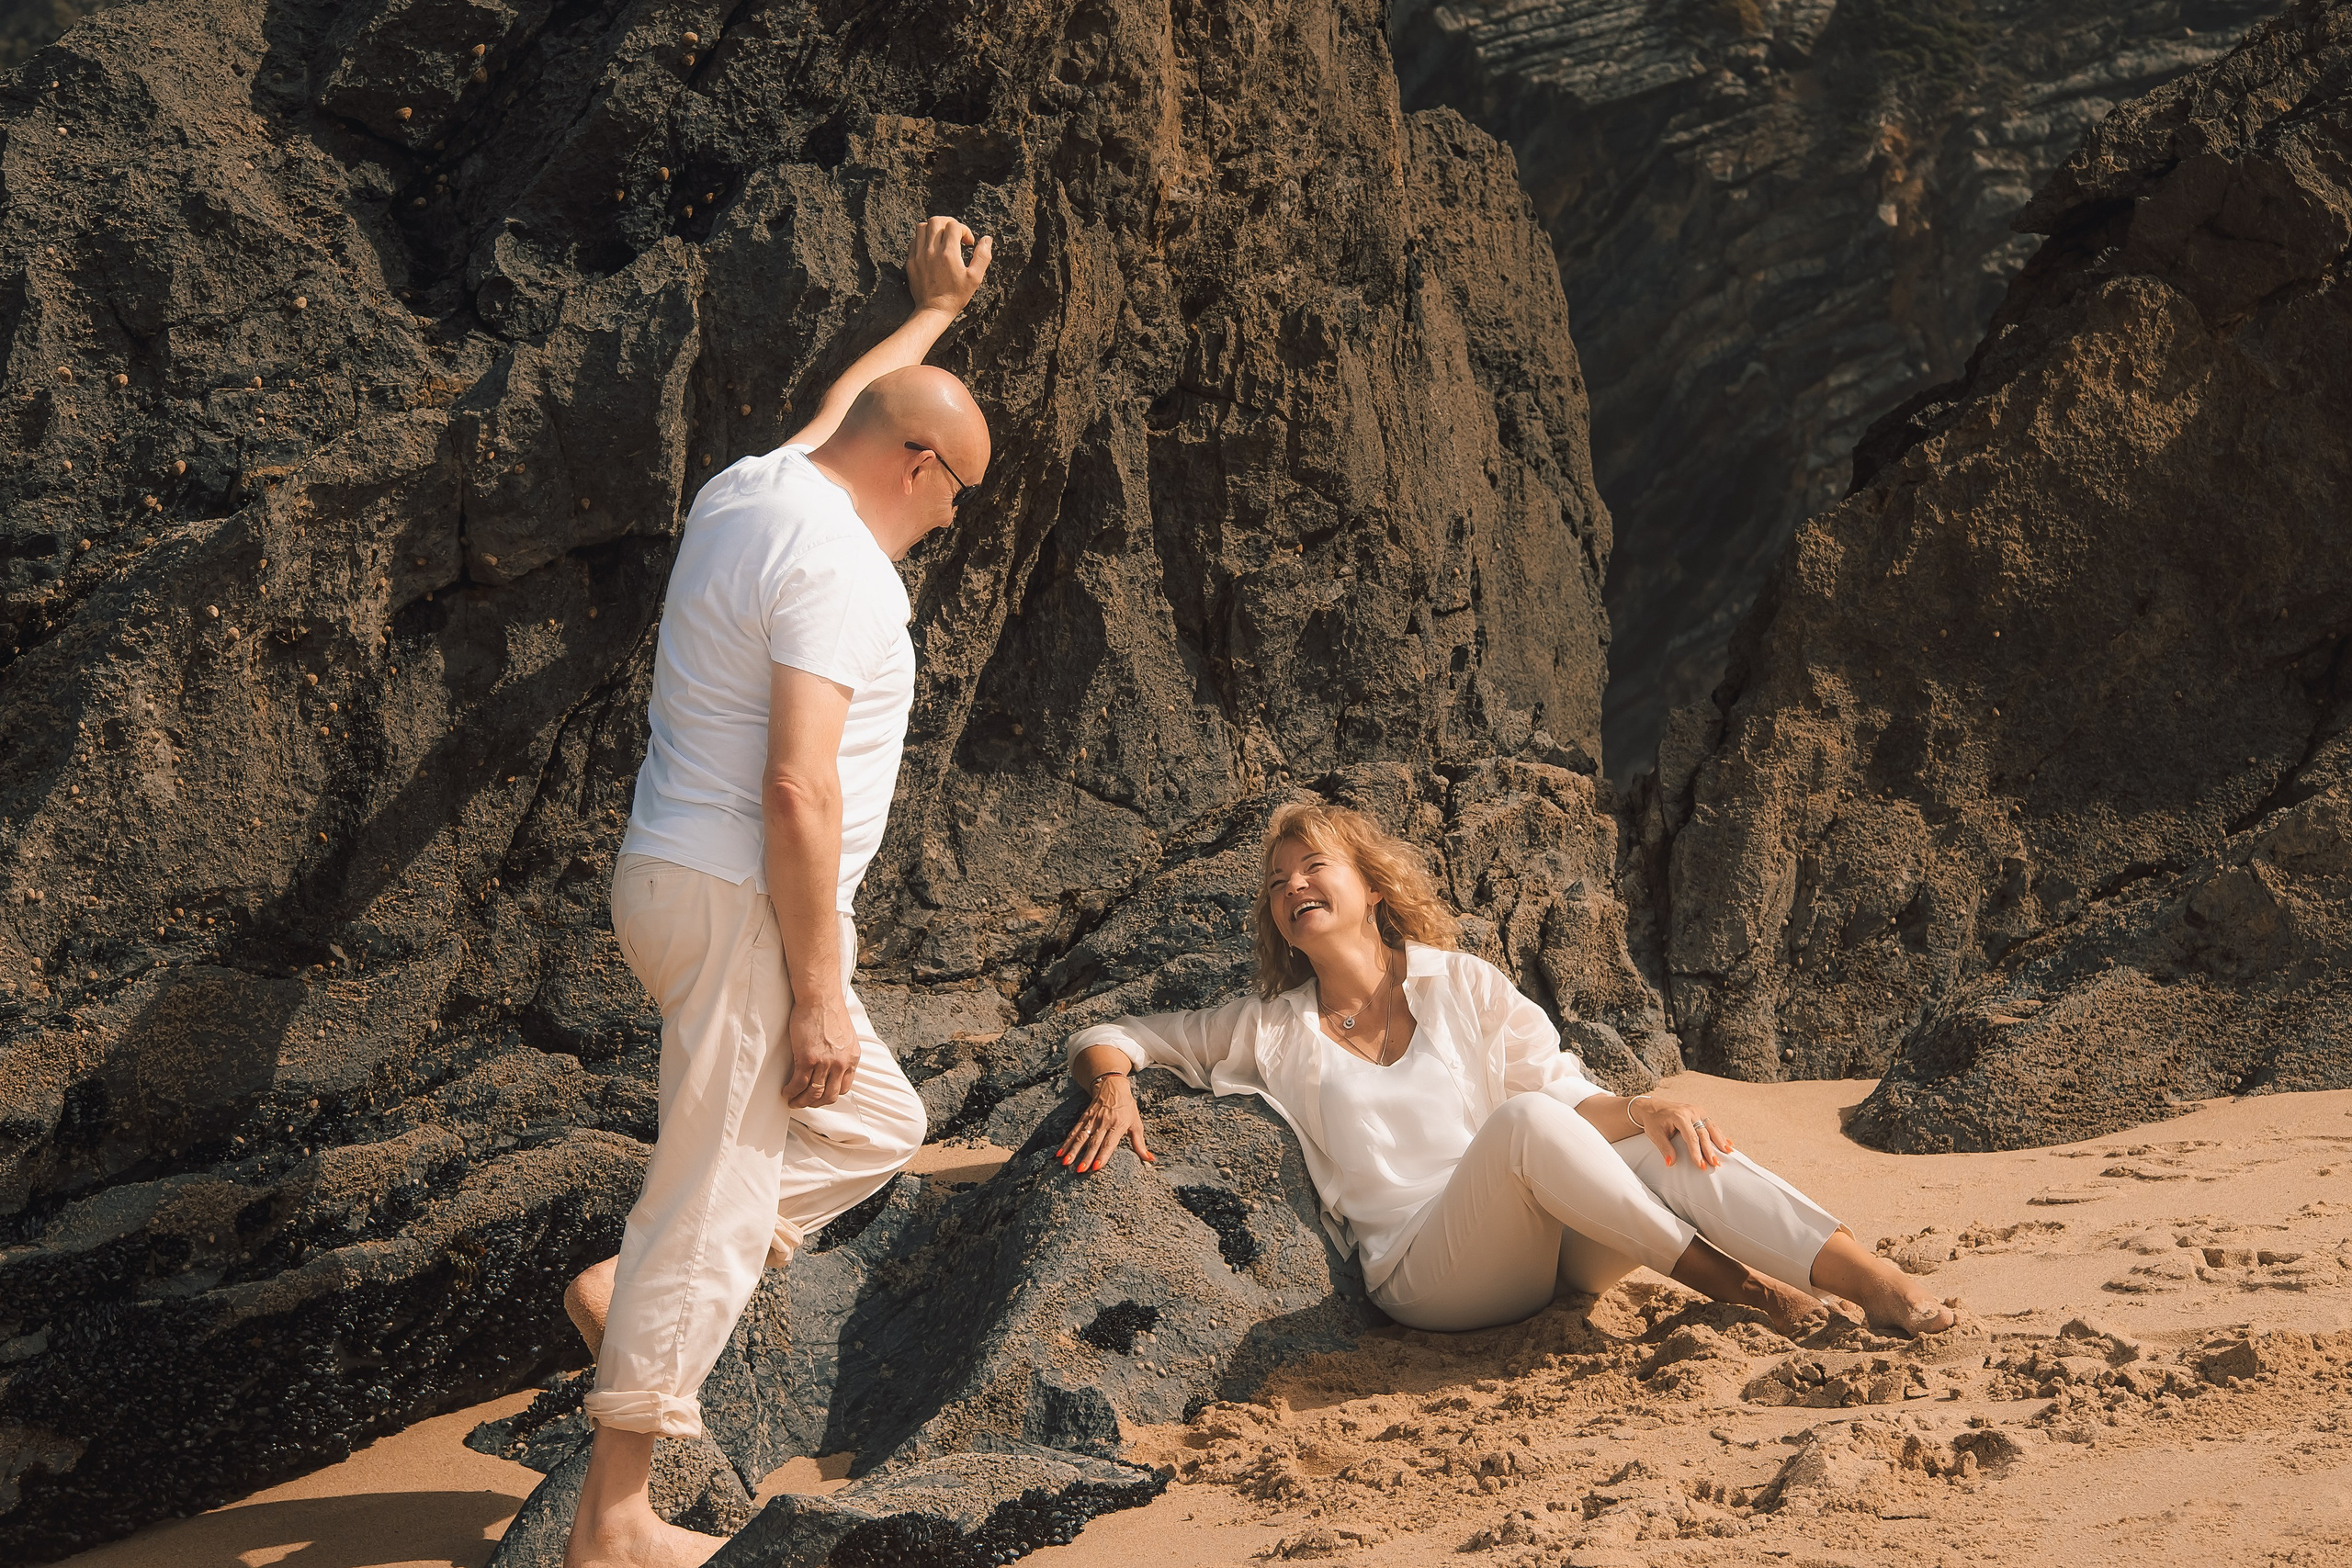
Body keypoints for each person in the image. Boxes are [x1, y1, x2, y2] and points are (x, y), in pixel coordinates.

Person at [560, 217, 995, 1568]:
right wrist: (817, 988)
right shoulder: (843, 573)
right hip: (750, 900)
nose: (948, 518)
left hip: (668, 877)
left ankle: (634, 1297)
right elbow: (798, 789)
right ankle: (617, 1521)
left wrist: (933, 312)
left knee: (873, 1113)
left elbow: (839, 405)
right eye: (954, 492)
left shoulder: (758, 485)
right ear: (918, 462)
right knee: (714, 1180)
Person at [1057, 801, 1955, 1342]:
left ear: (1370, 887)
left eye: (1311, 866)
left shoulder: (1460, 985)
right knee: (1521, 1129)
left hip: (1557, 1243)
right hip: (1428, 1273)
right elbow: (1115, 1031)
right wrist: (1111, 1082)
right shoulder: (1267, 1029)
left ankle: (1871, 1282)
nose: (1290, 886)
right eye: (1276, 880)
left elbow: (1561, 1096)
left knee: (1663, 1142)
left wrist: (1642, 1108)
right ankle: (1746, 1288)